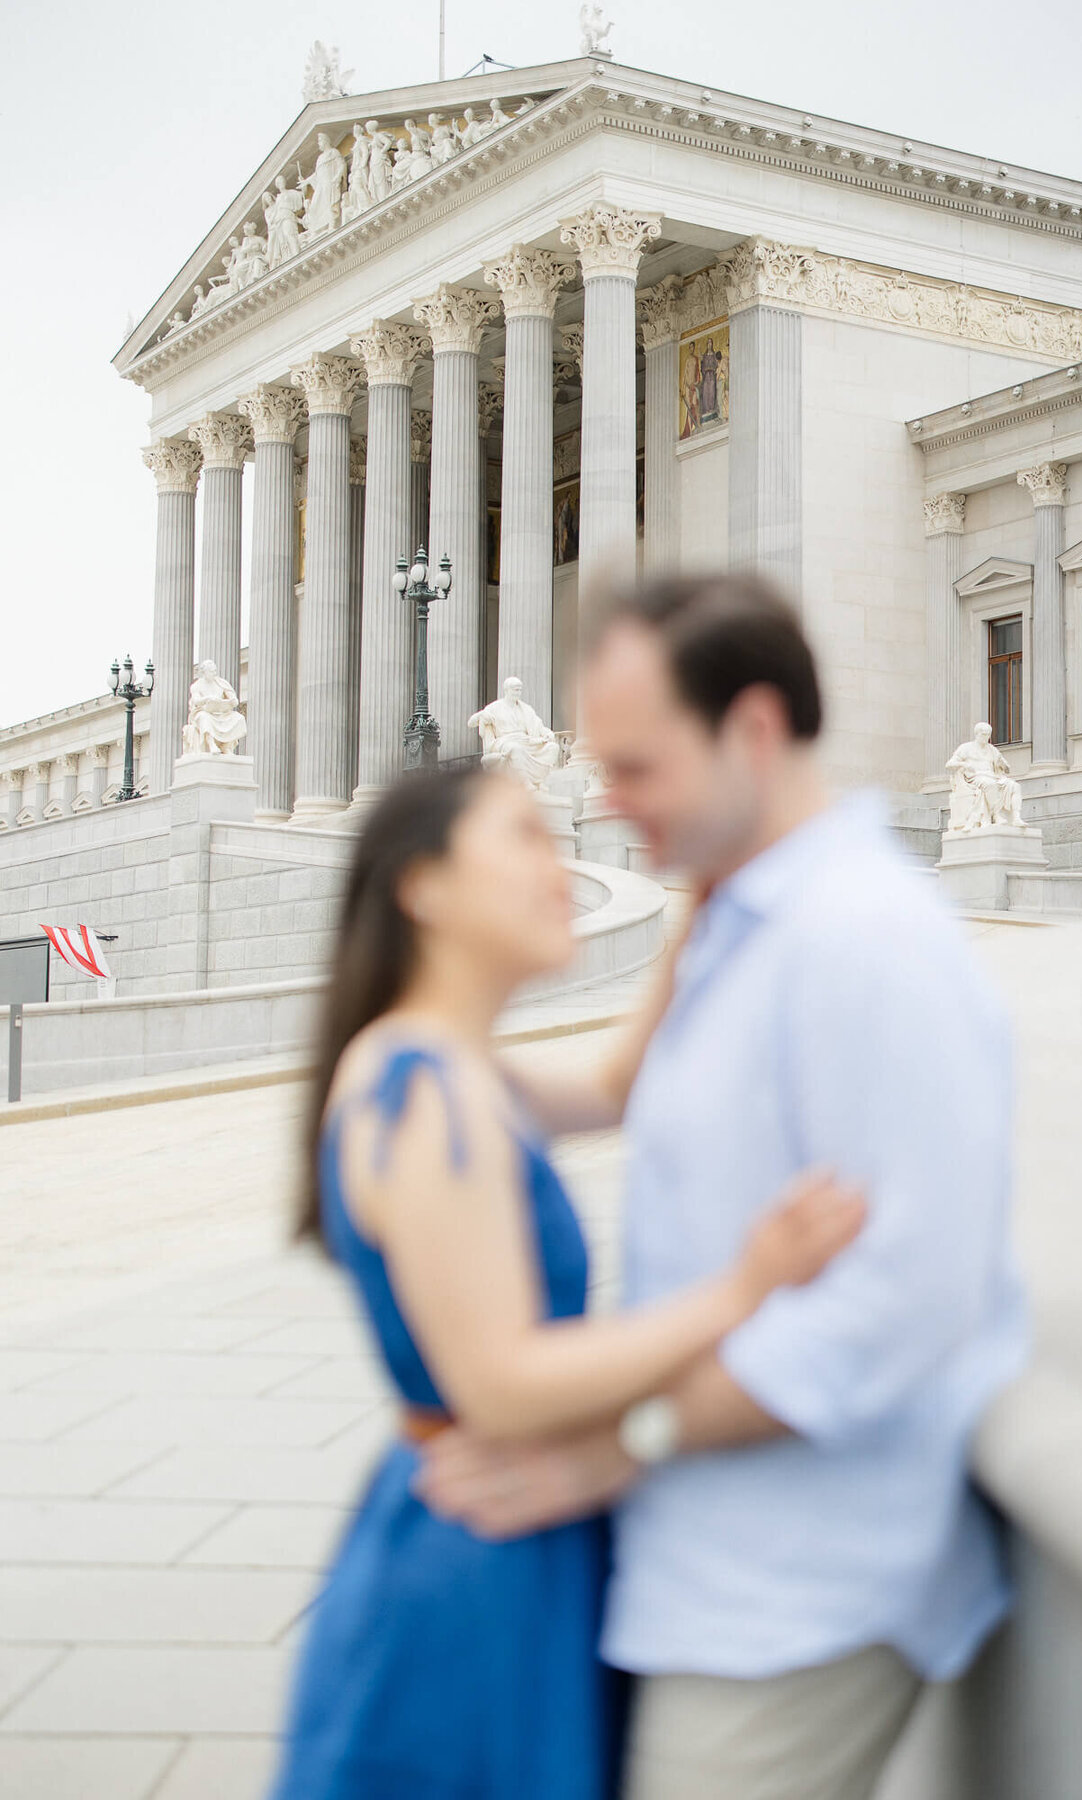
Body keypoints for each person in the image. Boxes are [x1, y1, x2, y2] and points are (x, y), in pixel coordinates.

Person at [417, 573, 1029, 1800]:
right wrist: (423, 1052)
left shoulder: (868, 943)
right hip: (699, 1562)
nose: (604, 798)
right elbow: (622, 1090)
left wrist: (623, 1443)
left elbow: (904, 1306)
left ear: (750, 730)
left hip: (800, 1592)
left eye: (638, 766)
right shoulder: (734, 917)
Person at [269, 767, 866, 1800]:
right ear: (426, 887)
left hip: (497, 1534)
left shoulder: (456, 1068)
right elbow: (500, 1380)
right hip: (480, 1562)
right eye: (525, 839)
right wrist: (746, 1288)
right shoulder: (423, 1087)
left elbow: (612, 1086)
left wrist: (698, 918)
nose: (559, 867)